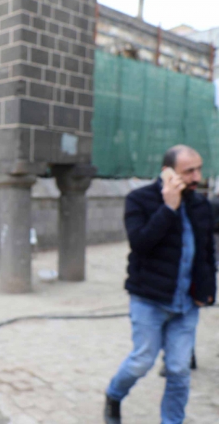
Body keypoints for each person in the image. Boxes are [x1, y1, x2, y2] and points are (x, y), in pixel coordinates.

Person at [103, 145, 216, 424]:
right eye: (188, 171)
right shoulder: (139, 200)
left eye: (198, 169)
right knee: (142, 361)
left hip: (187, 304)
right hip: (149, 300)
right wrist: (168, 207)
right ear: (167, 172)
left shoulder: (200, 205)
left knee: (179, 370)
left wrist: (208, 290)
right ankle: (114, 394)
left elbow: (207, 252)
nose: (196, 176)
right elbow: (140, 243)